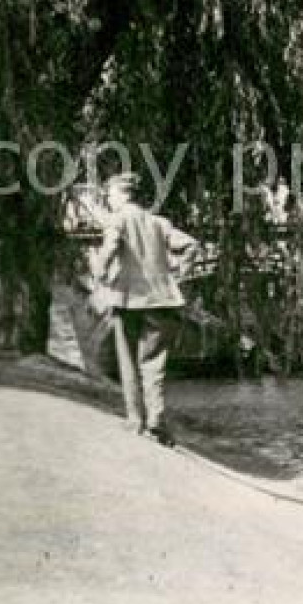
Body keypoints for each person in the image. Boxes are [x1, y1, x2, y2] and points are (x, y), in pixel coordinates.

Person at [89, 173, 197, 446]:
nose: (109, 200)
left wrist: (100, 275)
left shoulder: (119, 219)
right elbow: (191, 245)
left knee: (128, 362)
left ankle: (136, 420)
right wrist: (177, 273)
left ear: (122, 195)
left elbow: (110, 248)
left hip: (129, 300)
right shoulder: (159, 223)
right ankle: (156, 420)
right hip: (162, 301)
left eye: (110, 195)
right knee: (153, 363)